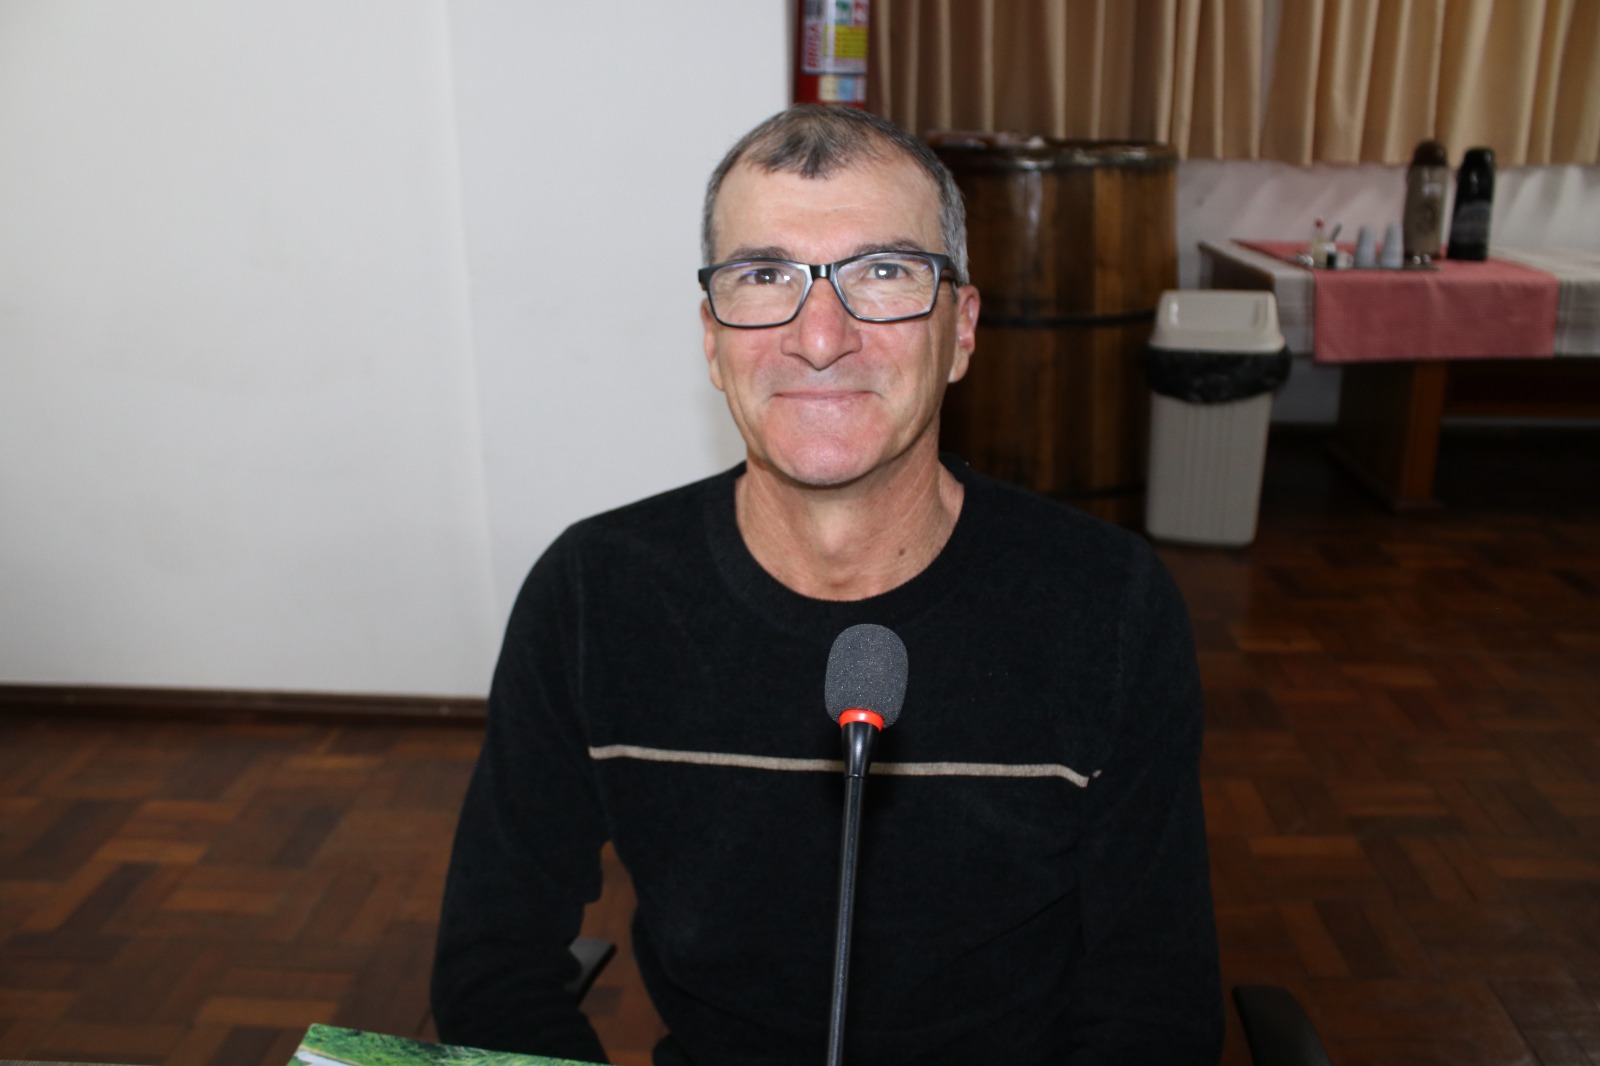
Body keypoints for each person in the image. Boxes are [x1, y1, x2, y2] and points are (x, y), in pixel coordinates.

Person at [431, 104, 1222, 1065]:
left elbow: (1155, 1011)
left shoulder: (1108, 606)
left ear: (961, 330)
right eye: (764, 276)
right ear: (712, 340)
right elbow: (493, 968)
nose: (818, 337)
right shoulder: (593, 595)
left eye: (882, 273)